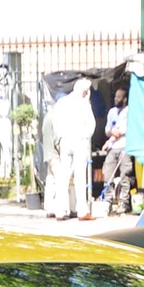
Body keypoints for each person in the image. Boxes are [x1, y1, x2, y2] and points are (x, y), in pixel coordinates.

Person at [43, 80, 92, 220]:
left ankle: (60, 210)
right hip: (79, 140)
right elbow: (91, 125)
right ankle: (82, 210)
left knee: (63, 177)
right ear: (84, 92)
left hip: (65, 141)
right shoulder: (84, 104)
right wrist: (85, 136)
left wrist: (61, 137)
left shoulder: (61, 103)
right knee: (80, 176)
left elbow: (56, 123)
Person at [100, 88, 136, 217]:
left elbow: (122, 131)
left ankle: (123, 203)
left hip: (125, 146)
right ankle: (108, 201)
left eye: (119, 97)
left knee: (124, 175)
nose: (116, 99)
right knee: (107, 173)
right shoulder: (112, 112)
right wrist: (111, 135)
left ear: (125, 99)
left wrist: (109, 140)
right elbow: (107, 129)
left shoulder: (129, 112)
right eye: (115, 96)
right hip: (113, 147)